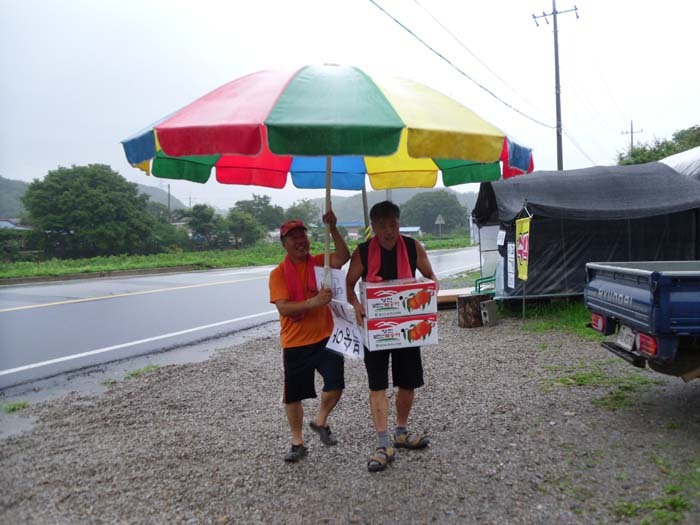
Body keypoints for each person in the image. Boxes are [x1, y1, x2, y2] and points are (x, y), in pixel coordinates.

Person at [346, 201, 439, 472]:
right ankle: (383, 442)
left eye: (393, 225)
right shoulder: (363, 253)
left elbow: (430, 276)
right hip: (375, 330)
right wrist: (357, 305)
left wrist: (430, 292)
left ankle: (401, 431)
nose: (388, 231)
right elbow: (349, 285)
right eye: (382, 226)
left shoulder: (412, 247)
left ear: (399, 223)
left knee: (407, 381)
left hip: (408, 329)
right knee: (377, 384)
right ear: (373, 227)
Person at [269, 211, 350, 462]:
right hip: (295, 342)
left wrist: (333, 228)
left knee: (336, 385)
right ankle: (297, 442)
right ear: (284, 244)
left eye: (302, 235)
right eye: (293, 237)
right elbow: (284, 307)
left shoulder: (319, 263)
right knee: (294, 395)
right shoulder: (278, 274)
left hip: (326, 337)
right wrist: (314, 302)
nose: (300, 240)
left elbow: (344, 257)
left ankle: (320, 421)